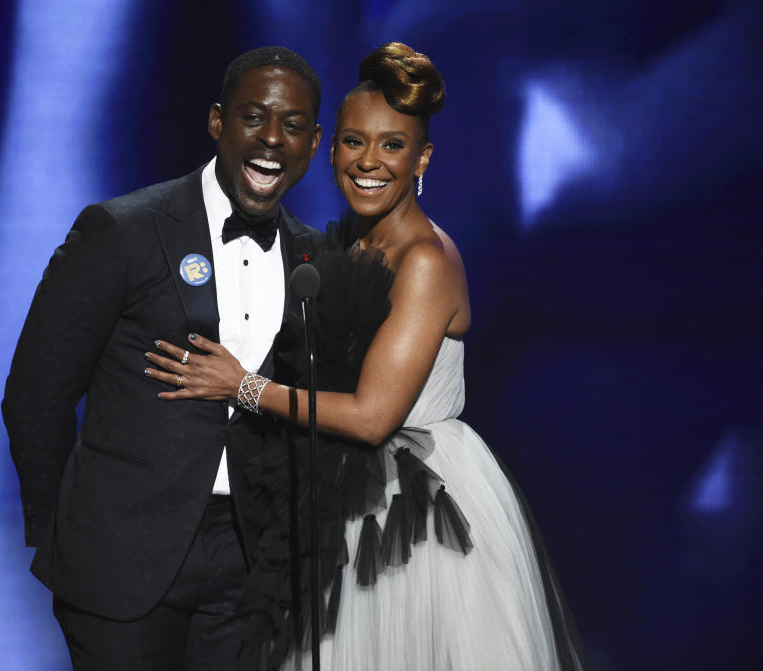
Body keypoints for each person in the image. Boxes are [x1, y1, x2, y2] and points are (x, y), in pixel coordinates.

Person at [145, 42, 586, 670]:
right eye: (354, 142)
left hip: (412, 522)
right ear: (331, 150)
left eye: (392, 146)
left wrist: (240, 386)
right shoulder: (349, 243)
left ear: (422, 158)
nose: (369, 163)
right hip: (335, 502)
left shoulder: (425, 260)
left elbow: (374, 416)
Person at [1, 47, 323, 670]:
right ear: (216, 122)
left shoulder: (309, 258)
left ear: (313, 144)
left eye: (293, 125)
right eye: (255, 117)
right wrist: (63, 529)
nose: (272, 139)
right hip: (120, 557)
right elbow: (35, 397)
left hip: (250, 569)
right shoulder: (122, 230)